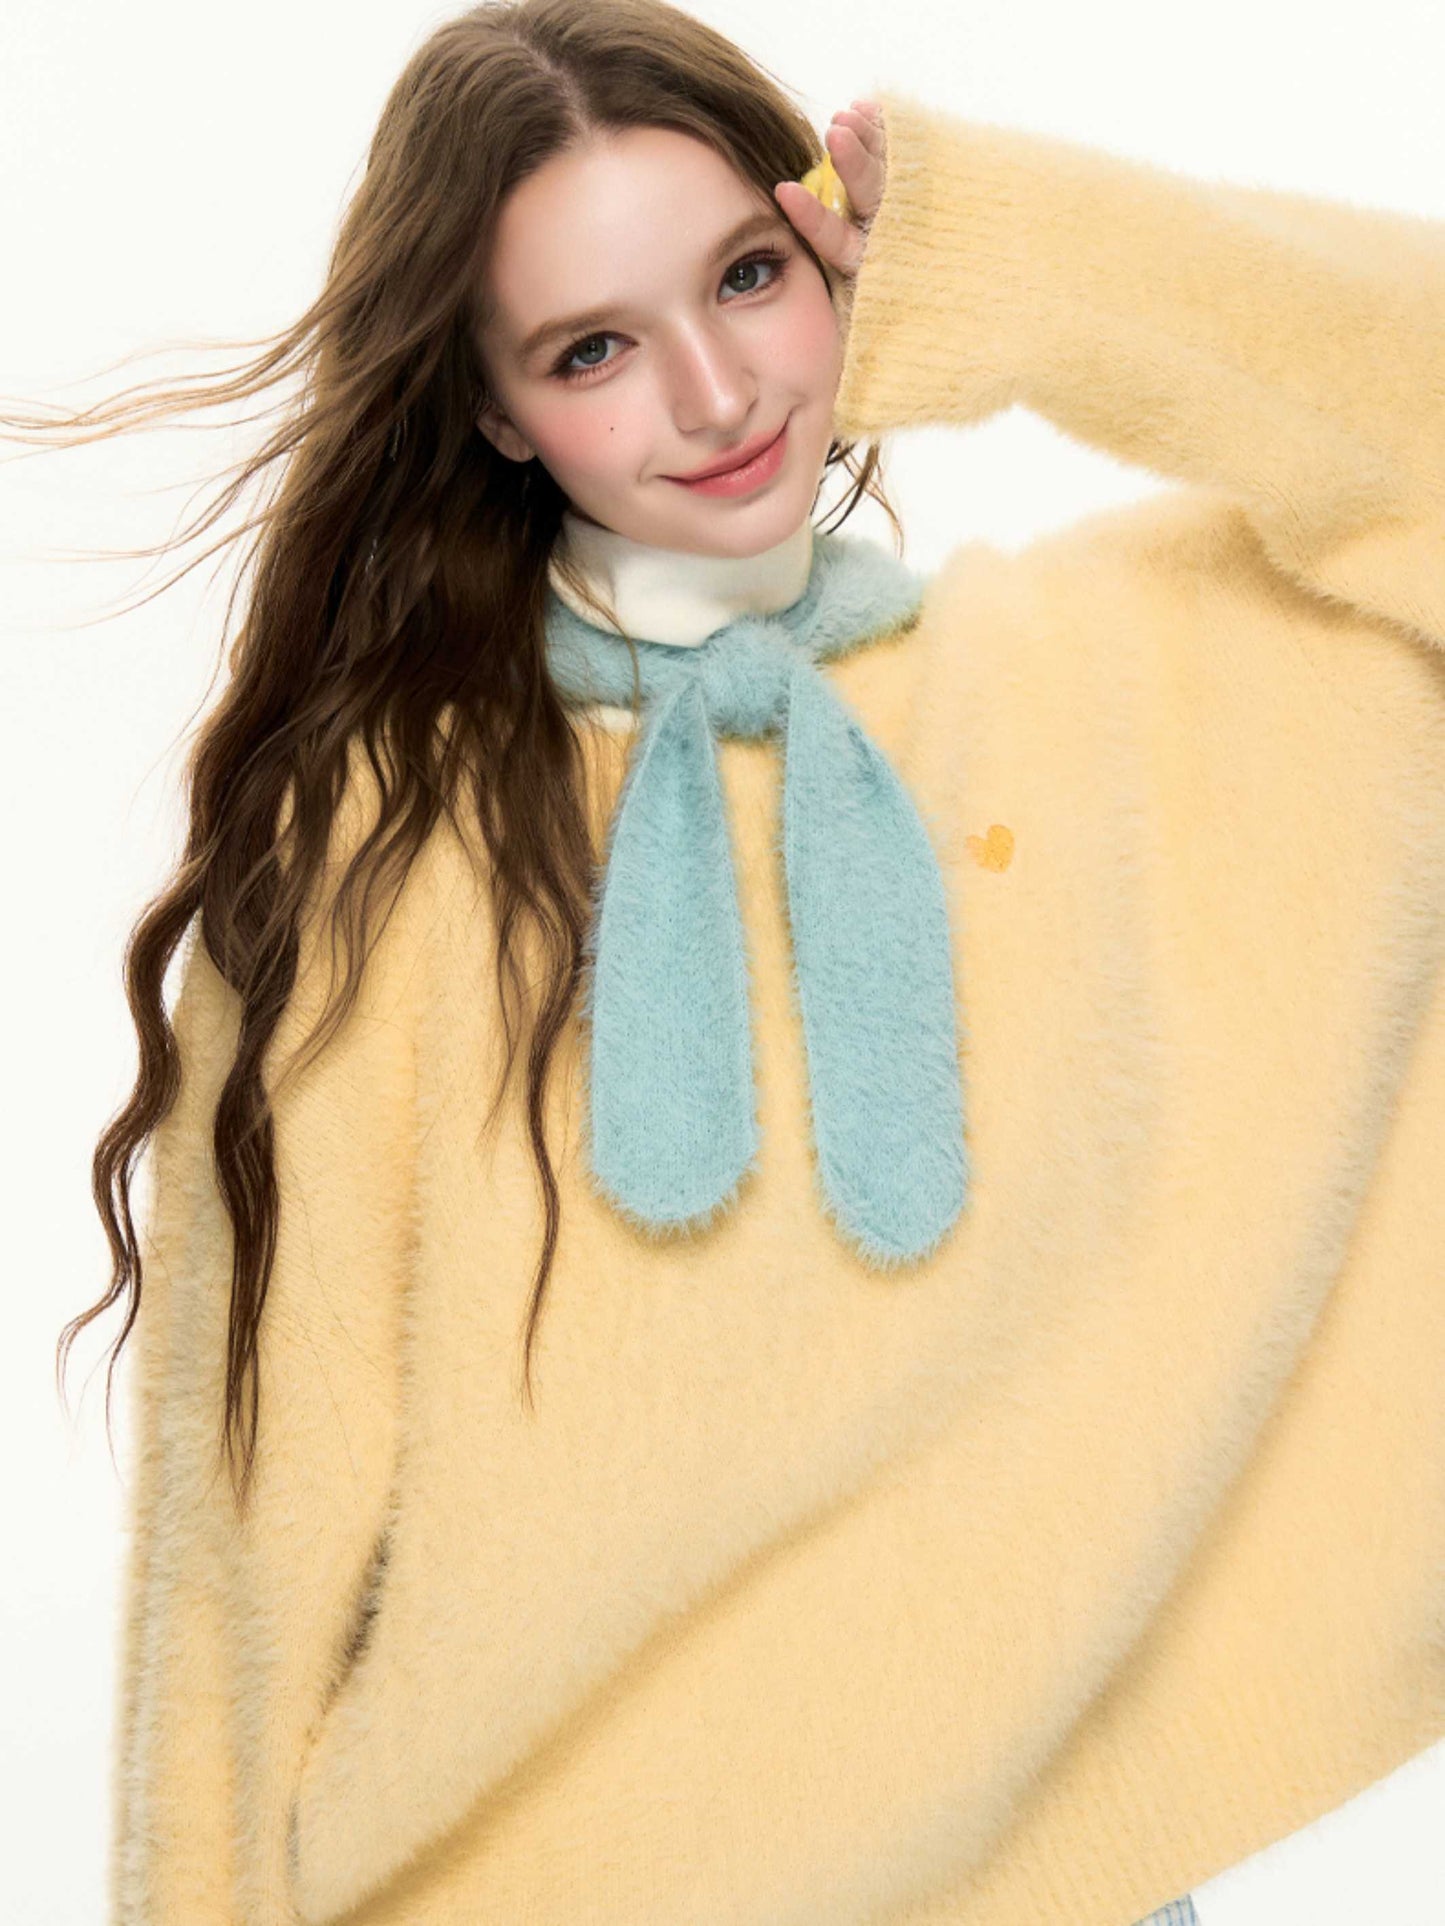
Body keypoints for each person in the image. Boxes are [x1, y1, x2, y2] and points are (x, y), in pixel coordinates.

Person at [20, 0, 1443, 1920]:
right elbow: (249, 1534)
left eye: (748, 277)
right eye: (592, 347)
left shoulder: (1106, 683)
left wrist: (1023, 254)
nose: (713, 393)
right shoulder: (384, 834)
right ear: (494, 410)